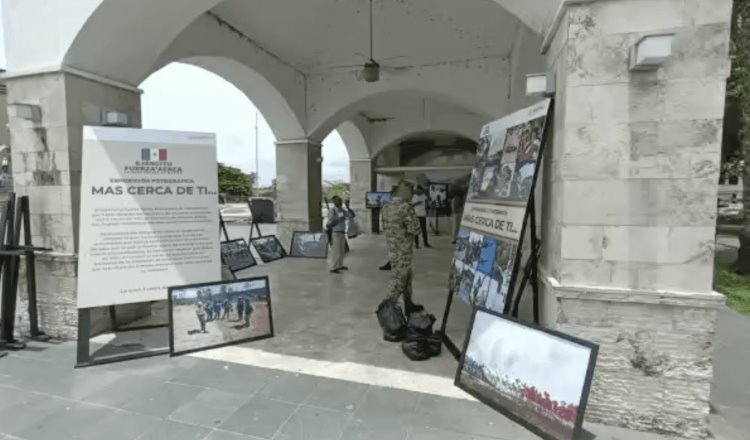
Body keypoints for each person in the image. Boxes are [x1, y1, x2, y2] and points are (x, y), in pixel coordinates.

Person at [382, 180, 421, 315]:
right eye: (412, 192)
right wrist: (413, 212)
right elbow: (415, 230)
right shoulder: (405, 207)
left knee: (407, 278)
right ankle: (386, 309)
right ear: (404, 191)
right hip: (403, 251)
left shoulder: (386, 206)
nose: (413, 195)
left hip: (393, 250)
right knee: (398, 281)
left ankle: (408, 305)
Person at [327, 195, 349, 273]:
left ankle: (340, 264)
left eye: (340, 200)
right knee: (336, 251)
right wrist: (339, 217)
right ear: (334, 202)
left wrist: (346, 208)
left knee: (341, 250)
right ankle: (333, 267)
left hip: (342, 232)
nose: (339, 202)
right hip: (336, 232)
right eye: (337, 201)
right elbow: (330, 222)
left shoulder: (342, 210)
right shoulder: (332, 210)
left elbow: (348, 215)